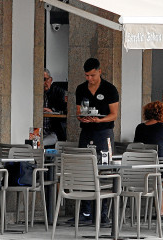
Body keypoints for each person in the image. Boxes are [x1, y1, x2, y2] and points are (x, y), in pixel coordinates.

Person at [75, 58, 119, 224]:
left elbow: (114, 114)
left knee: (105, 169)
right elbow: (79, 111)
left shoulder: (109, 89)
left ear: (99, 71)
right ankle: (86, 211)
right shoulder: (81, 89)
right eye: (87, 76)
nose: (89, 79)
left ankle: (103, 212)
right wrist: (83, 118)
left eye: (92, 75)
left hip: (104, 132)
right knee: (85, 167)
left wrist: (99, 120)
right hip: (86, 132)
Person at [134, 101, 163, 217]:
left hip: (140, 168)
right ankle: (160, 207)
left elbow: (136, 146)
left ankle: (160, 207)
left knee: (161, 169)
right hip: (159, 169)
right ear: (162, 113)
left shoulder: (140, 127)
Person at [43, 68, 67, 146]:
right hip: (38, 131)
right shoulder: (35, 93)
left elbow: (64, 109)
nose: (43, 83)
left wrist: (52, 111)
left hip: (53, 131)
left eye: (45, 79)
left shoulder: (59, 92)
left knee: (40, 143)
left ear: (51, 79)